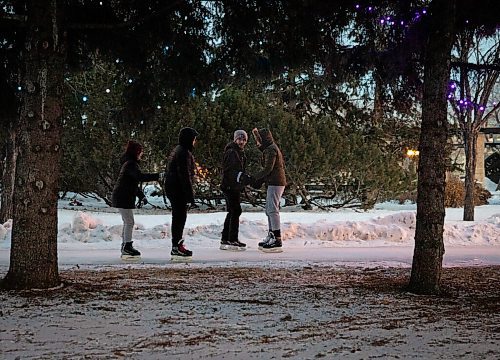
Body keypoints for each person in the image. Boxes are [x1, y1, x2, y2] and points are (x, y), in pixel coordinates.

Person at [112, 140, 160, 259]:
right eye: (140, 151)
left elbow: (133, 182)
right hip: (123, 196)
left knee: (127, 221)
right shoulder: (131, 164)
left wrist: (141, 196)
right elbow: (140, 177)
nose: (141, 154)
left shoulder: (128, 163)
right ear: (136, 152)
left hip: (122, 196)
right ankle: (127, 247)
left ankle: (125, 245)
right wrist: (158, 176)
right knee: (129, 222)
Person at [164, 127, 199, 260]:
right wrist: (190, 196)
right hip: (177, 189)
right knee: (179, 217)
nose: (195, 142)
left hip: (173, 188)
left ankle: (177, 245)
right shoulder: (183, 152)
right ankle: (177, 246)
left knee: (178, 217)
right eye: (194, 139)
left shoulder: (179, 150)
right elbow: (185, 175)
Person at [251, 128, 286, 252]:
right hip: (273, 182)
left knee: (272, 209)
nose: (257, 143)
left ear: (264, 139)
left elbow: (268, 169)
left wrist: (254, 178)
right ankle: (272, 234)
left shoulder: (271, 150)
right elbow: (267, 168)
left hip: (276, 182)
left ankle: (277, 238)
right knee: (269, 209)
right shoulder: (269, 148)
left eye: (259, 140)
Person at [220, 129, 253, 251]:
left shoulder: (239, 152)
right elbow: (229, 170)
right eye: (239, 139)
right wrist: (240, 177)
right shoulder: (232, 152)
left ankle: (226, 238)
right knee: (235, 211)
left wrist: (243, 178)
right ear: (235, 139)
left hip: (234, 186)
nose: (242, 142)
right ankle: (232, 239)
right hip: (230, 186)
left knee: (233, 211)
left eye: (244, 139)